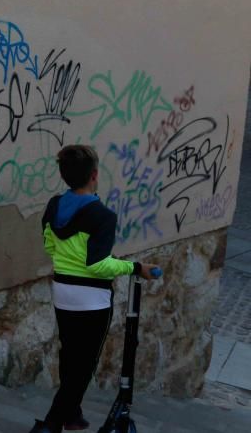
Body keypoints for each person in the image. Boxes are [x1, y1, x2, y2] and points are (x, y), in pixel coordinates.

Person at [30, 145, 160, 433]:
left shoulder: (54, 206)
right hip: (92, 299)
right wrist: (135, 268)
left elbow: (50, 245)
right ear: (95, 176)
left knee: (70, 356)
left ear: (65, 176)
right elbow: (98, 265)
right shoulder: (102, 215)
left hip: (62, 291)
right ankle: (50, 424)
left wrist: (69, 261)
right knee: (83, 367)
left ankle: (71, 415)